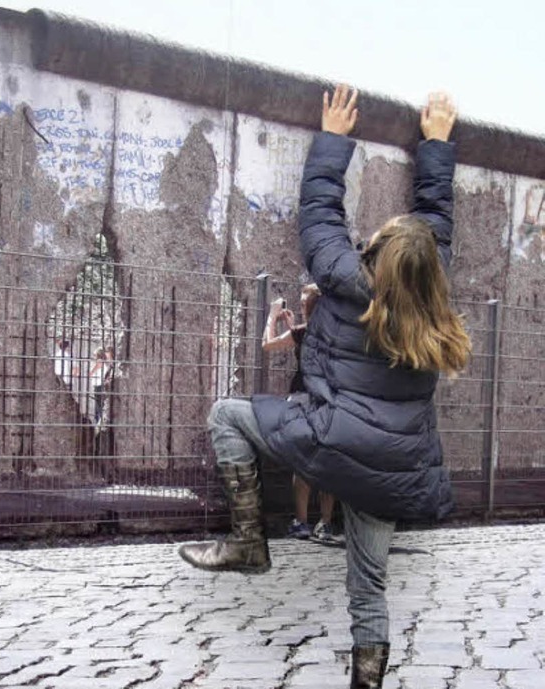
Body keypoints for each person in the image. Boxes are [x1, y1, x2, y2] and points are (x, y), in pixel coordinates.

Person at [179, 85, 471, 688]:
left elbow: (319, 213)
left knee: (226, 416)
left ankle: (248, 540)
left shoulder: (342, 277)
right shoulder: (431, 298)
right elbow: (435, 225)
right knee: (369, 589)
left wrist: (334, 138)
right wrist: (436, 147)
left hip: (330, 442)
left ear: (375, 257)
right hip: (393, 472)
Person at [262, 286, 338, 545]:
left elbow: (268, 345)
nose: (301, 303)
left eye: (304, 302)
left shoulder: (302, 333)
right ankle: (326, 524)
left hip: (303, 400)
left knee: (303, 462)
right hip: (328, 402)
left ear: (309, 307)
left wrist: (272, 316)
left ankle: (301, 522)